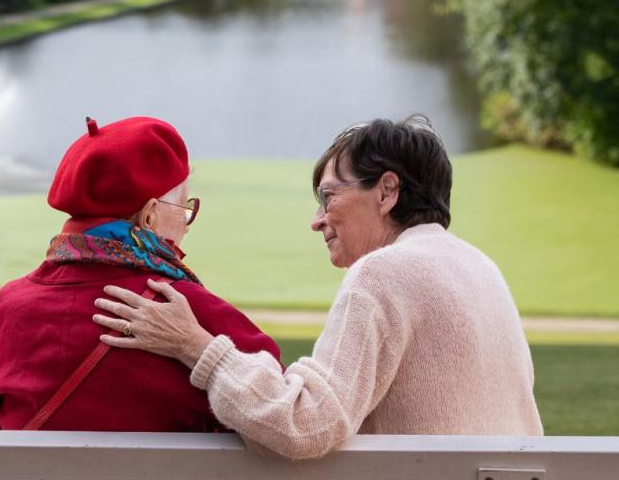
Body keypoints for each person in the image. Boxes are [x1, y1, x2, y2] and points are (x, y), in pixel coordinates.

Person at [94, 116, 544, 458]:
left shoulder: (382, 273)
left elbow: (305, 423)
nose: (317, 220)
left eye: (330, 197)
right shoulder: (481, 268)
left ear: (387, 192)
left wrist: (196, 347)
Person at [0, 116, 280, 431]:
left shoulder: (9, 306)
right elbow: (280, 406)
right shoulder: (184, 309)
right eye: (185, 209)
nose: (186, 224)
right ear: (149, 216)